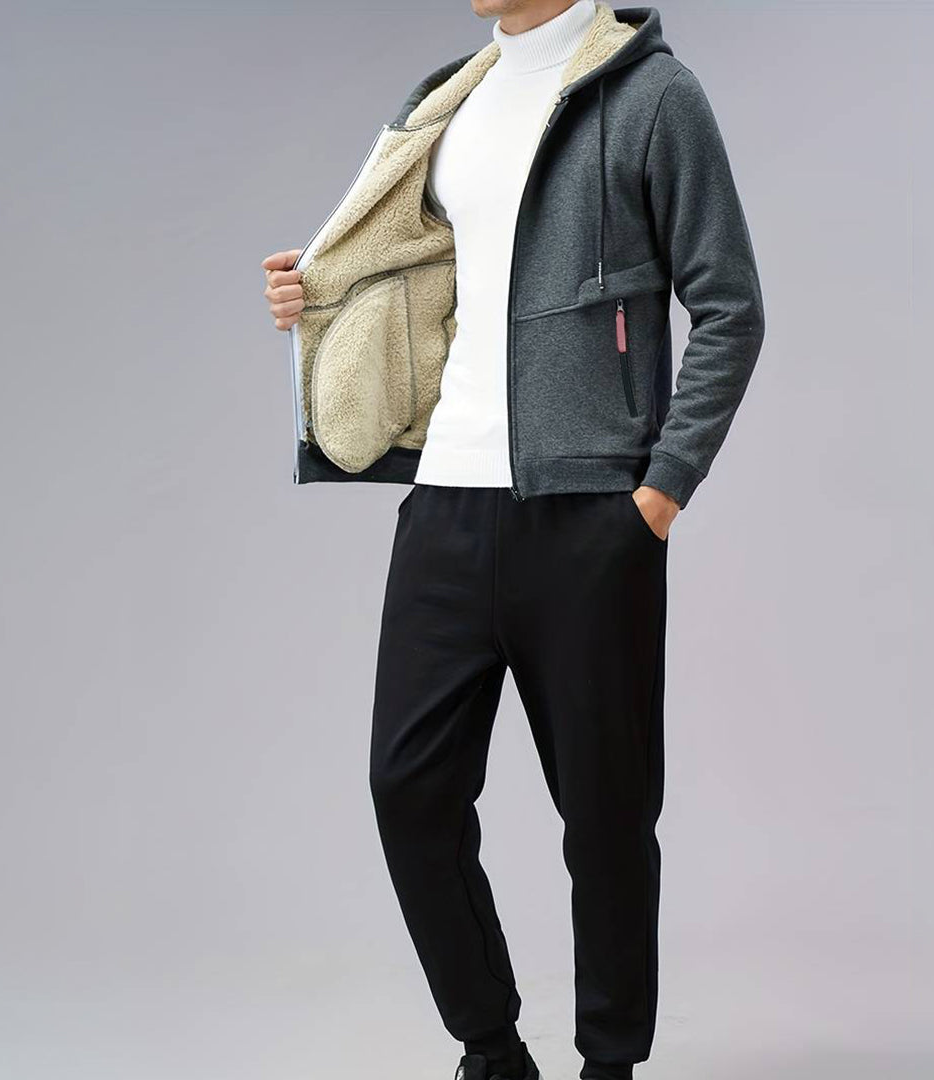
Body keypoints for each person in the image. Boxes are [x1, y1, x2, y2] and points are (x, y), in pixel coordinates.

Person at [261, 2, 764, 1078]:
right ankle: (491, 1052)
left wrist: (659, 492)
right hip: (444, 501)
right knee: (411, 792)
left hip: (589, 513)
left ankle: (610, 1063)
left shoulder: (652, 95)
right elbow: (420, 280)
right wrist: (319, 295)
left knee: (607, 815)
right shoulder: (448, 102)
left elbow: (730, 304)